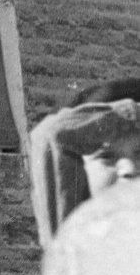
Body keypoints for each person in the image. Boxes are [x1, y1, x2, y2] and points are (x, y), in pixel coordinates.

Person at [29, 77, 140, 247]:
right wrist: (129, 113)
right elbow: (51, 135)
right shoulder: (77, 253)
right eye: (107, 157)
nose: (129, 169)